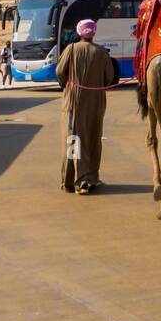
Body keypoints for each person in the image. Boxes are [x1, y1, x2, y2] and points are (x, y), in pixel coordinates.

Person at [56, 19, 117, 195]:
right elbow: (109, 77)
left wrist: (65, 85)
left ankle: (72, 179)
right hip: (96, 101)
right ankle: (89, 177)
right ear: (93, 33)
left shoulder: (71, 49)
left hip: (73, 100)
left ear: (79, 32)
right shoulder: (101, 52)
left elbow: (60, 71)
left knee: (73, 136)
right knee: (92, 137)